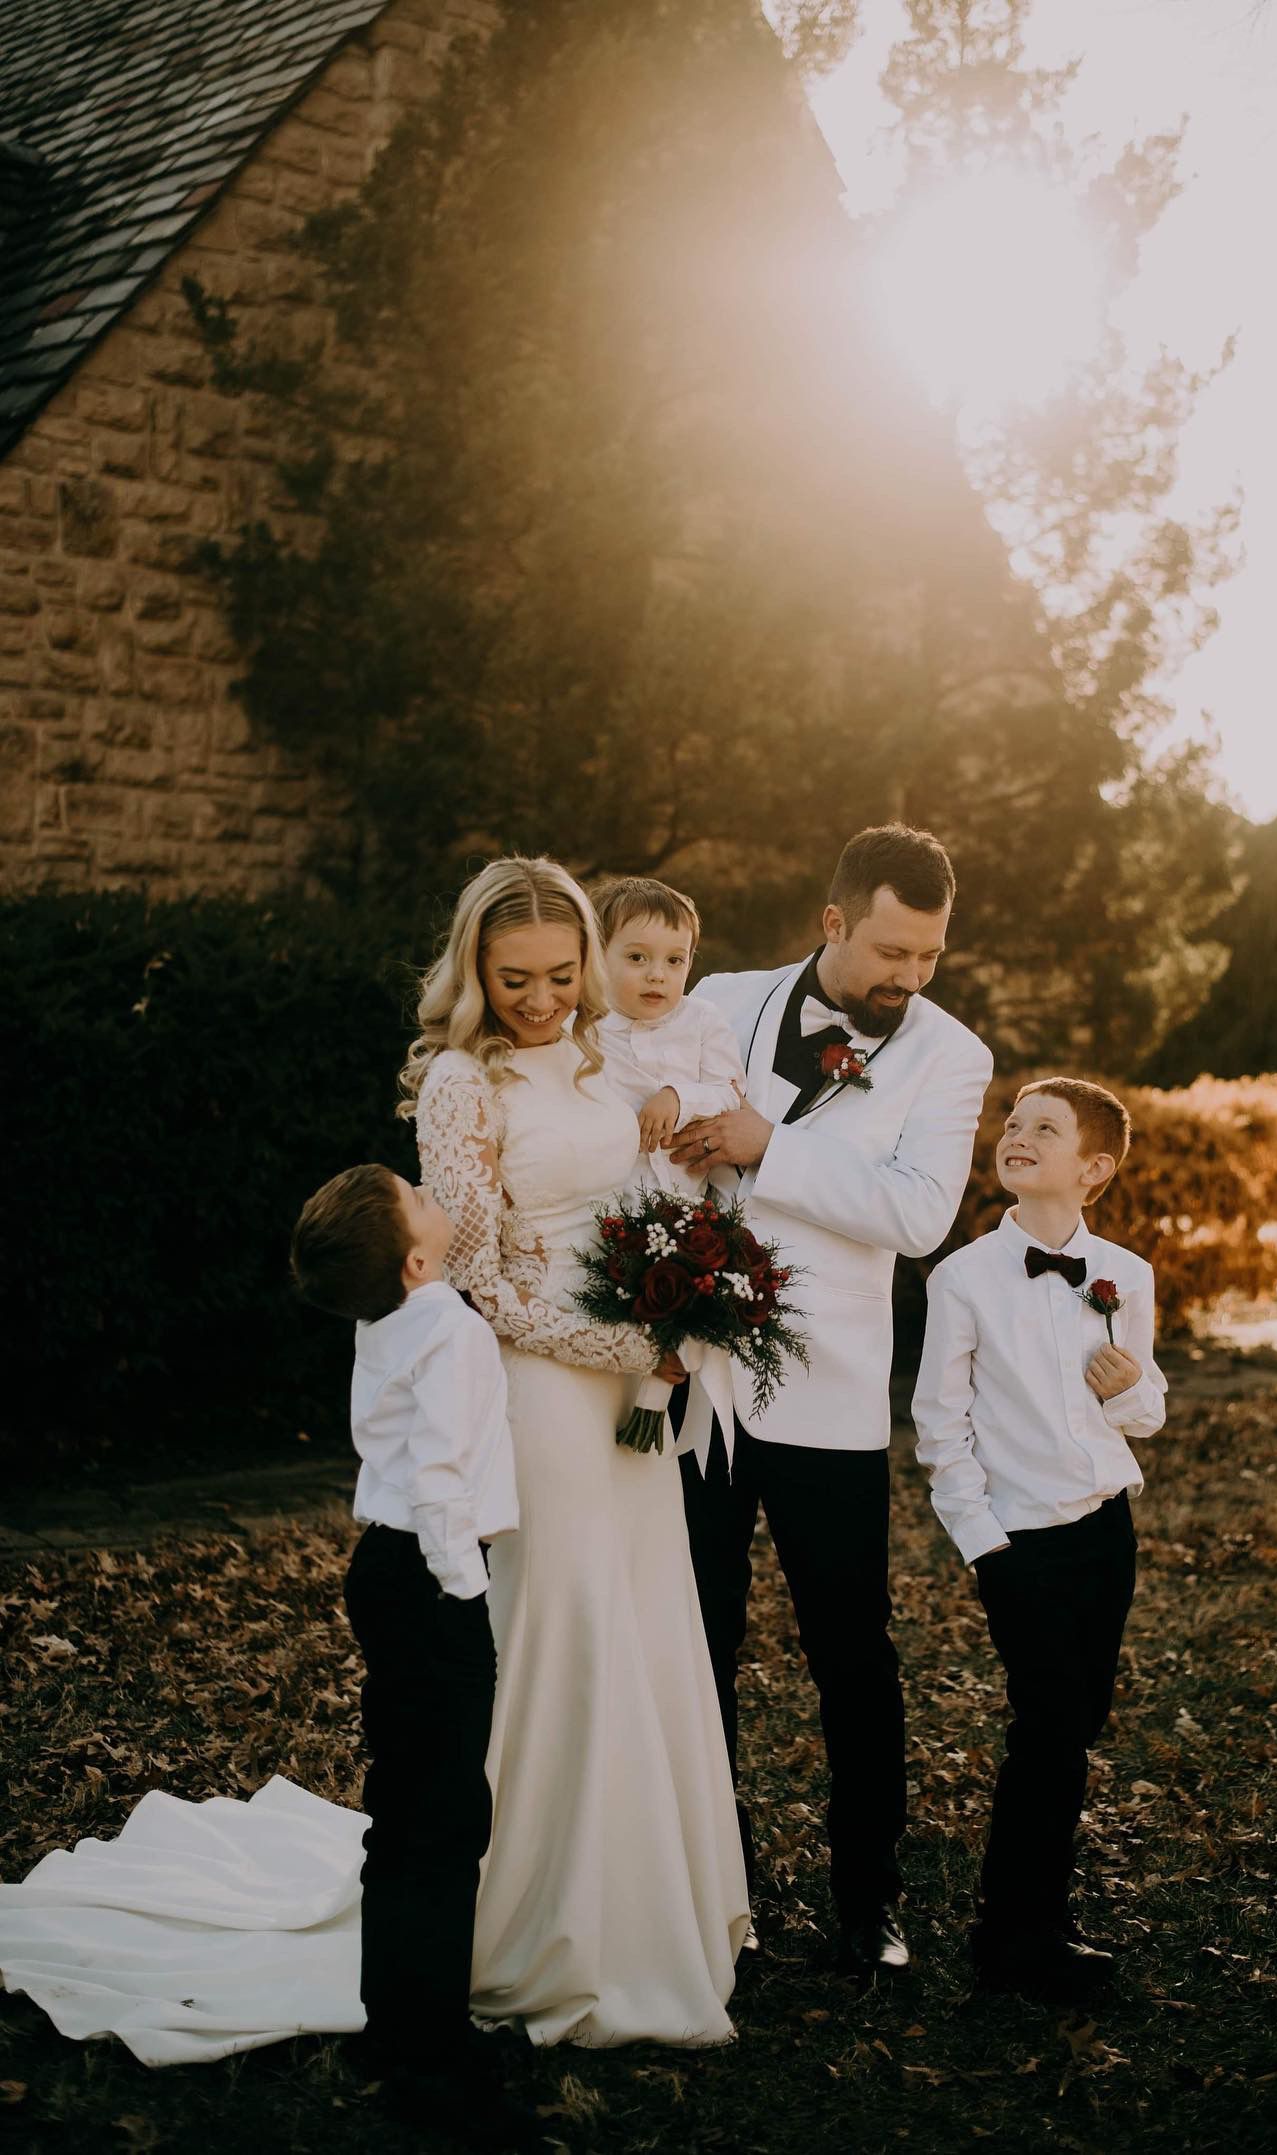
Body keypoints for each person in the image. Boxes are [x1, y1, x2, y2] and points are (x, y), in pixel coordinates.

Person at [405, 854, 749, 2046]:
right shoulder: (458, 1082)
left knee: (650, 1611)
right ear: (474, 967)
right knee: (564, 1617)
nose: (542, 1001)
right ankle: (528, 1916)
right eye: (514, 979)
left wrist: (688, 1306)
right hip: (540, 1386)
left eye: (561, 975)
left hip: (634, 1376)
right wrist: (614, 1343)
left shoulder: (608, 1056)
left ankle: (652, 1909)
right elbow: (469, 1275)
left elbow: (652, 1193)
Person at [667, 824, 993, 1979]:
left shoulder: (954, 1059)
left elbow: (918, 1218)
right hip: (696, 1386)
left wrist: (765, 1150)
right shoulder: (721, 998)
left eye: (930, 957)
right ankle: (719, 1893)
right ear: (834, 920)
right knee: (695, 1643)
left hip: (830, 1399)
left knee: (852, 1655)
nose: (909, 978)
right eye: (891, 952)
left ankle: (871, 1902)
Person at [288, 1161, 533, 2146]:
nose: (434, 1195)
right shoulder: (450, 1326)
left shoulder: (386, 1319)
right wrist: (466, 1592)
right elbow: (438, 1474)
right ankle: (434, 2060)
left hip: (380, 1569)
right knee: (445, 1820)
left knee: (402, 1808)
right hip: (430, 1577)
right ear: (418, 1259)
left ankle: (393, 2023)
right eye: (420, 1199)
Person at [911, 1077, 1167, 2003]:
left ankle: (1041, 1913)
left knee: (1076, 1723)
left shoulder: (1125, 1275)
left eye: (1043, 1129)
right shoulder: (963, 1277)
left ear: (1093, 1168)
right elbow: (940, 1427)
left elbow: (1148, 1411)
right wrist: (985, 1545)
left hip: (1106, 1529)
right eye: (1013, 1125)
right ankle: (1011, 1936)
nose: (1016, 1137)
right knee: (1048, 1728)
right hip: (1020, 1541)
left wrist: (1125, 1385)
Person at [591, 875, 748, 1197]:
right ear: (597, 956)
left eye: (675, 960)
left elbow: (730, 1094)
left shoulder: (702, 1019)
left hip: (684, 1207)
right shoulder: (582, 1030)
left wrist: (679, 1098)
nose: (657, 975)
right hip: (604, 1204)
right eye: (637, 958)